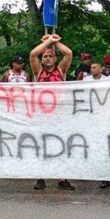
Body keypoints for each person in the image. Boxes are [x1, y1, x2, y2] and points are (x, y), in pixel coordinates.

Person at [28, 34, 75, 190]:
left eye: (50, 56)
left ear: (55, 59)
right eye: (45, 56)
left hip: (60, 116)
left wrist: (56, 41)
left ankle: (62, 178)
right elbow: (33, 54)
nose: (47, 58)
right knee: (41, 146)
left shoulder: (61, 70)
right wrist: (48, 42)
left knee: (61, 146)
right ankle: (40, 178)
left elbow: (68, 53)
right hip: (41, 116)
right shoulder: (38, 72)